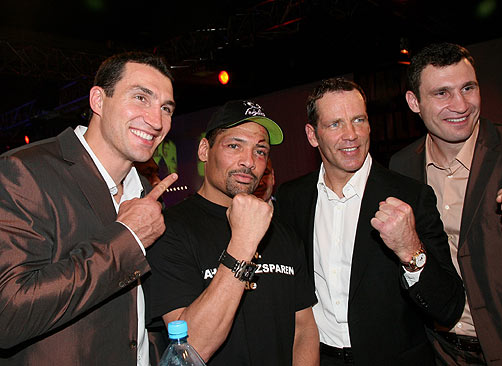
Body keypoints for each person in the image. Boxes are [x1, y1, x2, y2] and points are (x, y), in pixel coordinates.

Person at [0, 52, 178, 365]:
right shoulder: (24, 171)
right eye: (140, 98)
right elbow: (9, 314)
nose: (157, 120)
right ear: (98, 100)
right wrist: (126, 239)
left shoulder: (146, 194)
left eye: (166, 108)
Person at [275, 78, 465, 366]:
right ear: (312, 135)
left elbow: (449, 308)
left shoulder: (410, 196)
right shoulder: (292, 198)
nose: (351, 134)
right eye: (335, 124)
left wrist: (411, 250)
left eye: (358, 120)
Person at [390, 42, 502, 365]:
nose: (460, 105)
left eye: (468, 88)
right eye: (442, 93)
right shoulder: (402, 166)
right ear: (414, 102)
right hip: (439, 352)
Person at [145, 100, 319, 365]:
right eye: (234, 146)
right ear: (205, 149)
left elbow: (303, 329)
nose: (249, 162)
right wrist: (243, 243)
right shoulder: (169, 230)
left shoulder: (282, 232)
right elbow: (191, 349)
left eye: (260, 151)